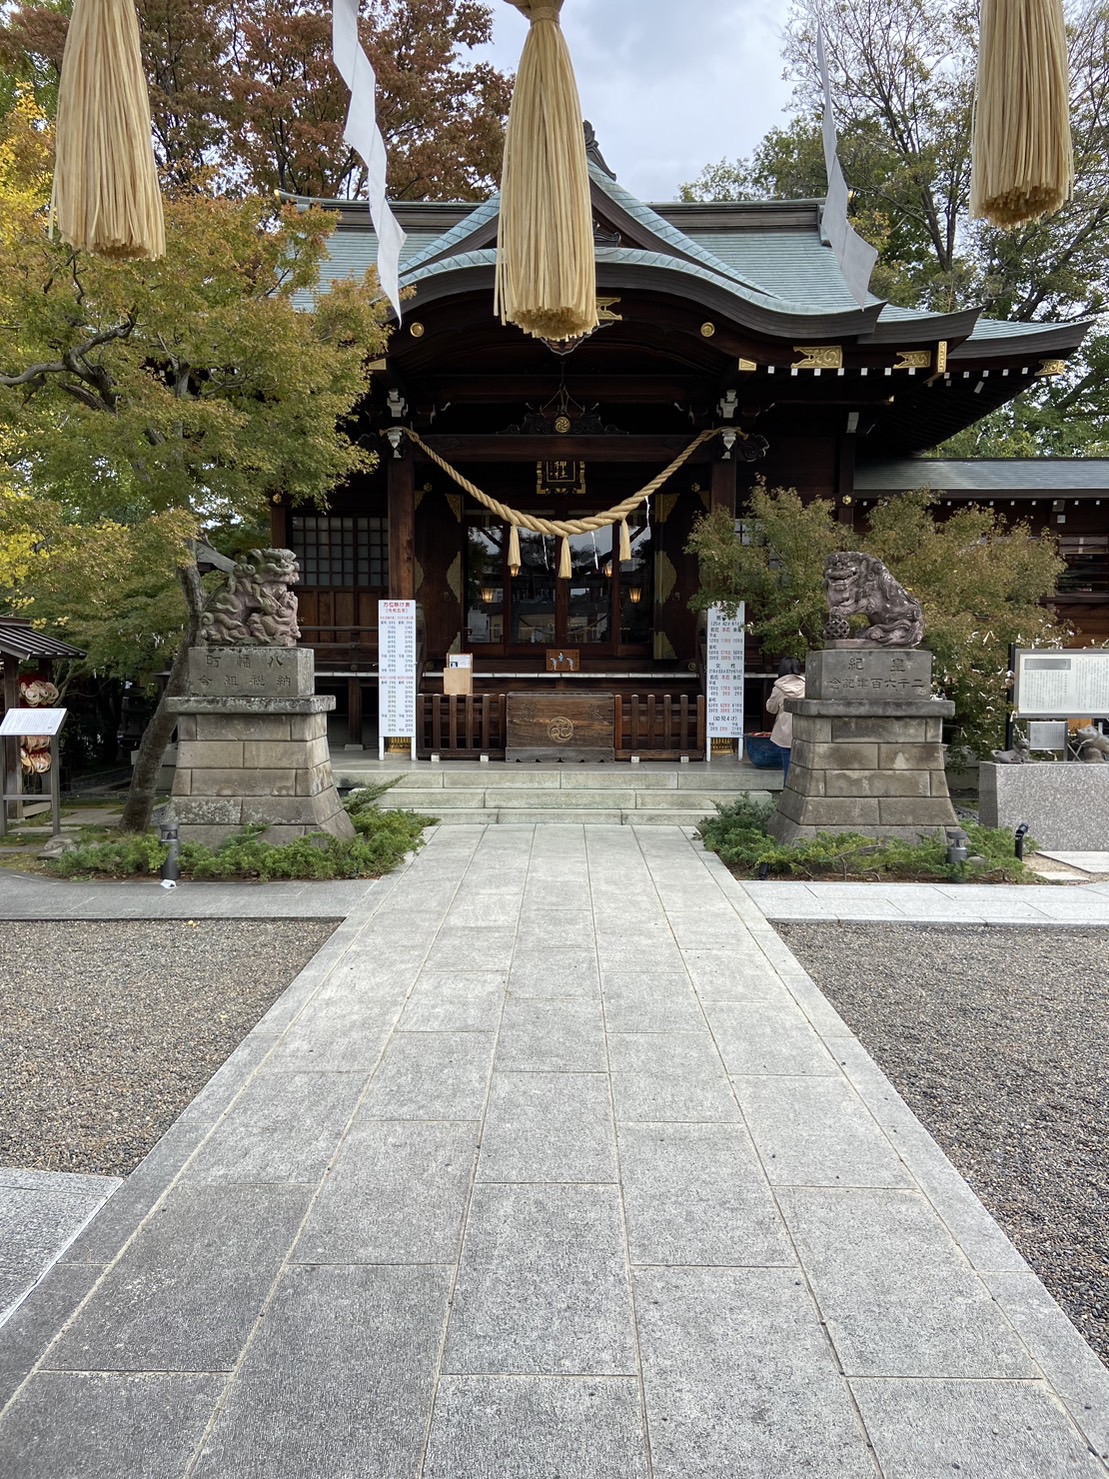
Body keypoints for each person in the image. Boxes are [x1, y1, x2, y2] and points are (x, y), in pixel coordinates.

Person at [766, 657, 806, 784]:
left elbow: (770, 709)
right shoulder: (807, 686)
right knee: (804, 768)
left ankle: (787, 793)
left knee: (788, 770)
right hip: (804, 732)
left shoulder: (778, 688)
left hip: (785, 733)